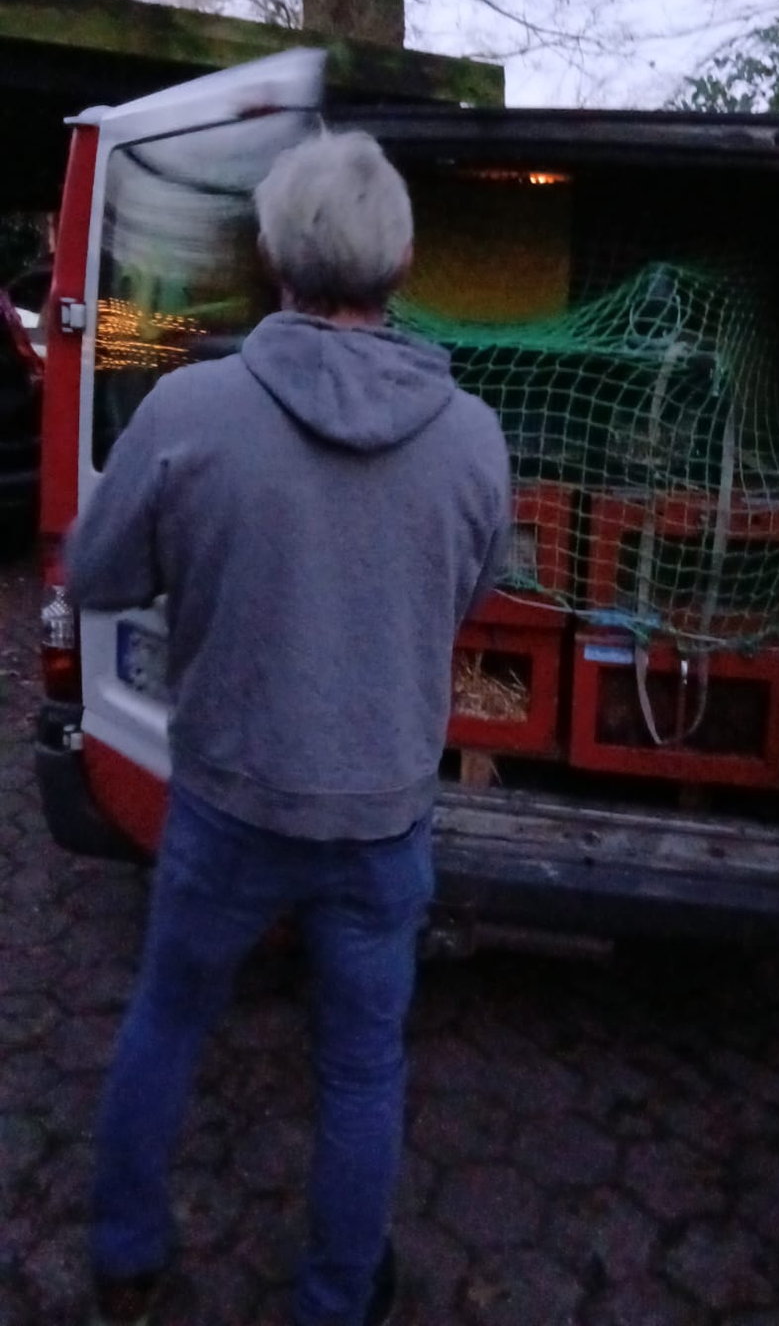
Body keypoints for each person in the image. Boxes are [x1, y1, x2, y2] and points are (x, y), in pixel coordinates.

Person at [66, 129, 511, 1326]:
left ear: (269, 256)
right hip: (382, 818)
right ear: (403, 261)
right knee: (361, 1067)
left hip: (228, 804)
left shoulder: (188, 407)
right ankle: (335, 1301)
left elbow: (96, 575)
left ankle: (126, 1265)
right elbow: (467, 591)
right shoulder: (472, 436)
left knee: (170, 1017)